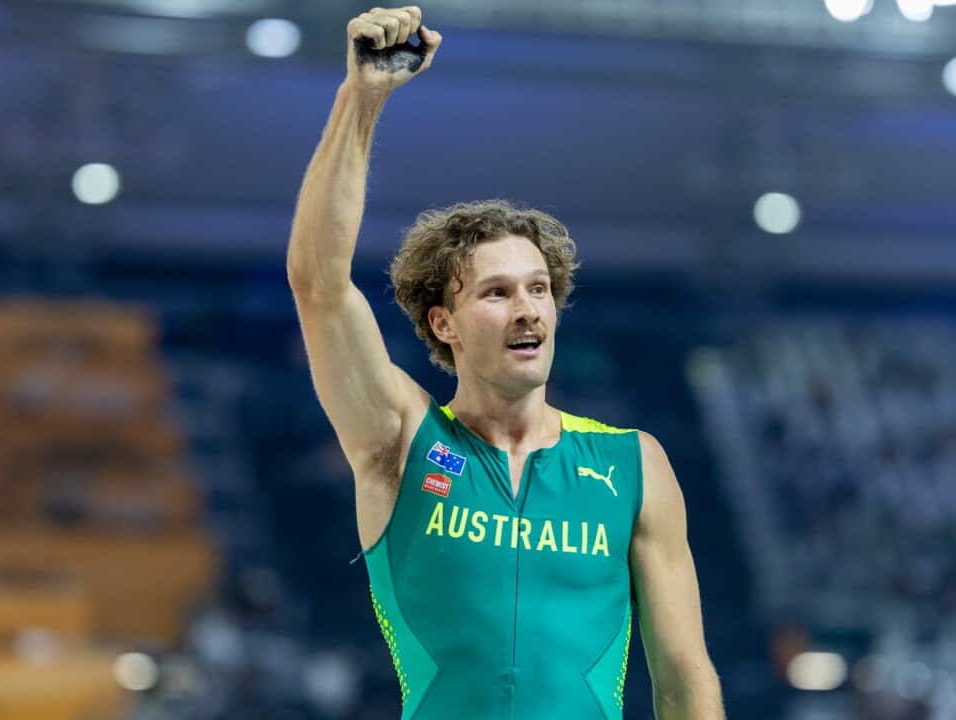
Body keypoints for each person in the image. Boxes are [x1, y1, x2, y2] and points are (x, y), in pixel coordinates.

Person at [286, 6, 724, 718]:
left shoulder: (633, 467)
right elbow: (319, 287)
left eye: (539, 289)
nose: (527, 310)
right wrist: (359, 102)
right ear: (443, 322)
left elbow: (685, 680)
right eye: (496, 293)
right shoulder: (400, 440)